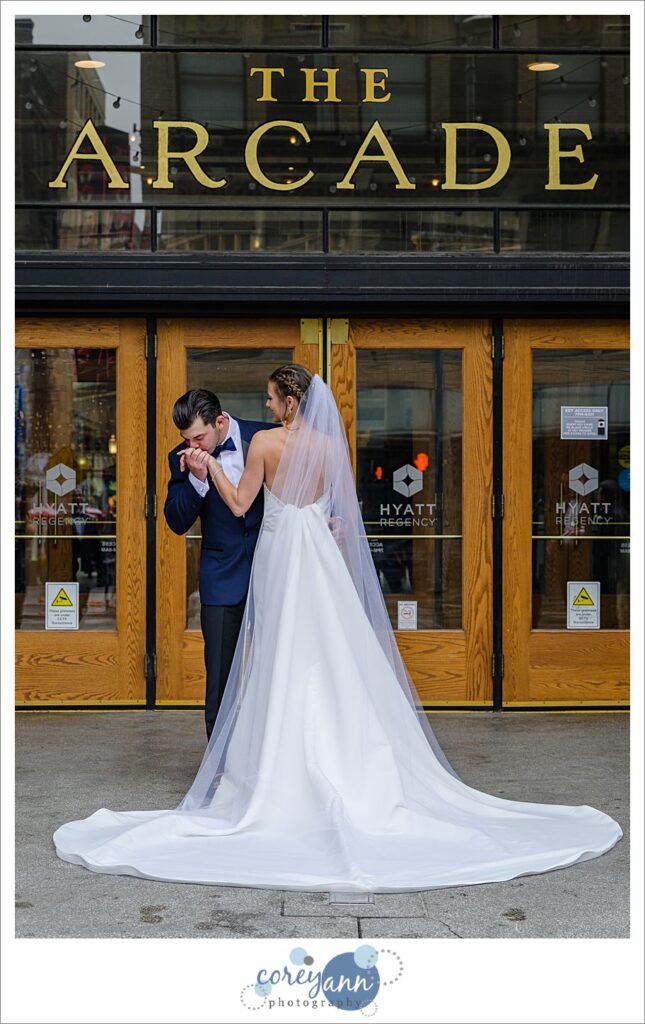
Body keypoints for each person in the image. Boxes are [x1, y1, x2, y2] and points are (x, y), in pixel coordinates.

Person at [53, 366, 623, 893]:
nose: (193, 447)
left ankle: (282, 772)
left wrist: (219, 478)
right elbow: (324, 509)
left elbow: (247, 498)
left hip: (281, 559)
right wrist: (204, 480)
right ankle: (285, 763)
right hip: (304, 563)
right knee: (310, 656)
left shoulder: (260, 440)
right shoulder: (326, 445)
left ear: (277, 405)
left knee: (289, 658)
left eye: (273, 398)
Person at [163, 388, 278, 740]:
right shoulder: (182, 459)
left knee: (280, 671)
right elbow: (176, 521)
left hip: (275, 569)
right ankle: (219, 767)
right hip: (220, 576)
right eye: (186, 439)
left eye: (199, 437)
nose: (193, 446)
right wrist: (197, 479)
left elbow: (307, 479)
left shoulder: (264, 436)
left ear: (221, 421)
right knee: (219, 681)